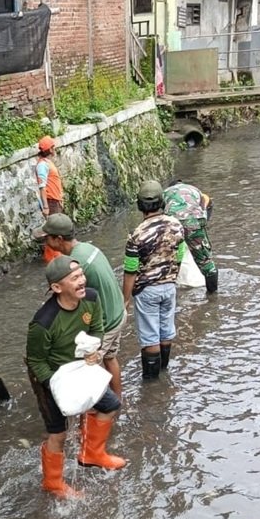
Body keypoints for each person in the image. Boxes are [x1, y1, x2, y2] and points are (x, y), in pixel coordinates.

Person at [26, 257, 125, 499]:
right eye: (74, 278)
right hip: (50, 375)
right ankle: (53, 483)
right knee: (58, 432)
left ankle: (92, 453)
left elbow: (97, 327)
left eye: (81, 275)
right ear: (57, 288)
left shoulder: (90, 298)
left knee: (110, 405)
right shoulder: (43, 322)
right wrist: (56, 387)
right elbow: (35, 361)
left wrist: (95, 349)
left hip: (80, 367)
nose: (82, 281)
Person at [33, 213, 126, 397]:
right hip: (118, 313)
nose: (45, 243)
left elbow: (68, 303)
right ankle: (118, 401)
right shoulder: (87, 248)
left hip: (106, 324)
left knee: (87, 369)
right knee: (110, 358)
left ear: (58, 239)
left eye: (47, 238)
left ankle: (96, 411)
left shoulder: (74, 266)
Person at [122, 181, 186, 380]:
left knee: (150, 336)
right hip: (169, 287)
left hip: (147, 291)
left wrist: (125, 300)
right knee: (166, 330)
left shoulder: (136, 235)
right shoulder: (176, 225)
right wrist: (172, 276)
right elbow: (180, 255)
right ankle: (164, 374)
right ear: (163, 202)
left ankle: (151, 383)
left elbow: (130, 270)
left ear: (140, 205)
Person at [162, 179, 218, 294]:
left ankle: (169, 293)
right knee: (206, 262)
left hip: (173, 222)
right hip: (194, 221)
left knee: (169, 258)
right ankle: (212, 296)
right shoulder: (194, 189)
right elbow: (207, 203)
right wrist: (202, 228)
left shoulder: (165, 192)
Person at [35, 136, 64, 263]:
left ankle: (56, 256)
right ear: (49, 149)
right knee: (54, 230)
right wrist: (46, 207)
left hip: (55, 200)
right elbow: (42, 187)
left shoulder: (47, 162)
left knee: (56, 229)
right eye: (53, 147)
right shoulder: (42, 165)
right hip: (50, 201)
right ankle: (52, 257)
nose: (55, 148)